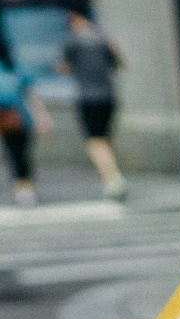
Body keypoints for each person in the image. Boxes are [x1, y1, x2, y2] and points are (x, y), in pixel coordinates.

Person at [58, 12, 125, 199]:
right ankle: (111, 175)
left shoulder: (73, 41)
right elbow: (118, 64)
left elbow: (63, 68)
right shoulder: (103, 39)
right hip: (108, 96)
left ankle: (112, 178)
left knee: (95, 140)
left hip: (87, 97)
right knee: (106, 138)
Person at [0, 31, 50, 207]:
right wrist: (42, 117)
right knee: (21, 155)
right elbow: (32, 96)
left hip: (8, 120)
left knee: (12, 154)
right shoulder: (15, 69)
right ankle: (25, 190)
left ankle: (21, 189)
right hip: (19, 119)